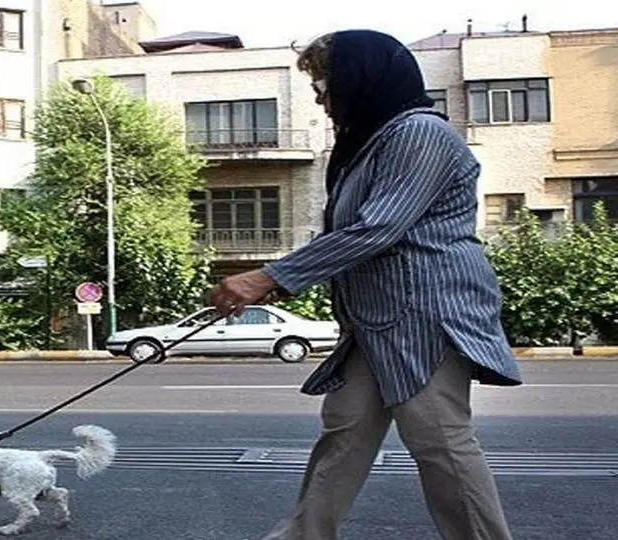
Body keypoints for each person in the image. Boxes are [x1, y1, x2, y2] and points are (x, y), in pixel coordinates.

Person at [207, 30, 523, 540]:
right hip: (373, 321)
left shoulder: (419, 134)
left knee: (439, 442)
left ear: (361, 78)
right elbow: (355, 237)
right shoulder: (369, 144)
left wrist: (270, 275)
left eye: (325, 81)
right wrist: (282, 282)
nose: (319, 96)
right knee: (345, 432)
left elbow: (378, 228)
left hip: (427, 317)